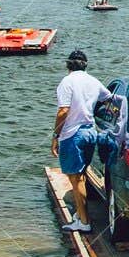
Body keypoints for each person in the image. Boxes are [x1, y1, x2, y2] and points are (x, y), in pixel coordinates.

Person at [52, 50, 116, 234]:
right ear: (85, 65)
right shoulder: (93, 81)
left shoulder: (67, 82)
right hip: (90, 132)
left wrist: (55, 136)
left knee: (76, 178)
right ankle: (80, 215)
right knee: (81, 174)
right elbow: (109, 99)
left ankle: (84, 221)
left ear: (68, 65)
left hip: (73, 135)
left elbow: (63, 111)